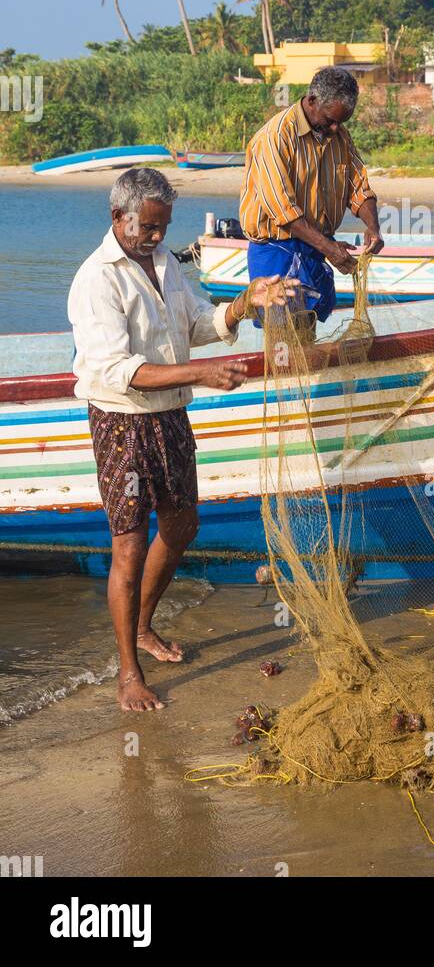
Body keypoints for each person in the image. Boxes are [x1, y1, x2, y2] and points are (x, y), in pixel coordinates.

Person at [68, 167, 296, 712]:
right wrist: (199, 374)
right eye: (147, 226)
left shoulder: (166, 262)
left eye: (163, 225)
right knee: (128, 544)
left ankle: (143, 626)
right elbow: (120, 370)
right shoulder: (98, 279)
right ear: (117, 217)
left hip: (170, 416)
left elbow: (196, 324)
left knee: (182, 523)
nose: (155, 235)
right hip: (124, 422)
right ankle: (128, 672)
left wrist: (246, 302)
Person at [239, 65, 383, 340]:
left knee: (306, 333)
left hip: (312, 246)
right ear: (312, 101)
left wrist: (373, 227)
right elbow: (285, 213)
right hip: (276, 251)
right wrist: (329, 248)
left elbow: (359, 188)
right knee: (283, 342)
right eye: (330, 120)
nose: (335, 128)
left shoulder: (339, 137)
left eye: (342, 122)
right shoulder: (276, 137)